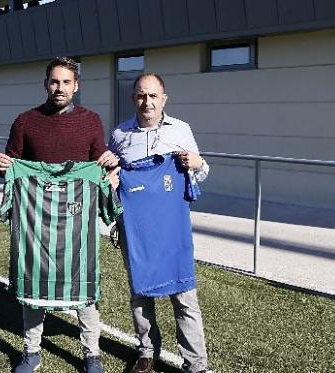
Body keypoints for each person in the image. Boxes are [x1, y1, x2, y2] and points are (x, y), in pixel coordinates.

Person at [0, 57, 119, 373]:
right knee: (36, 286)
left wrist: (110, 166)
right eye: (54, 81)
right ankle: (31, 352)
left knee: (84, 290)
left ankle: (92, 354)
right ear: (46, 83)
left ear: (76, 86)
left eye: (66, 82)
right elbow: (12, 163)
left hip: (77, 221)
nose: (59, 88)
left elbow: (99, 161)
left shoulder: (91, 121)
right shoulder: (25, 121)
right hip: (38, 221)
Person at [108, 73, 211, 373]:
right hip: (135, 231)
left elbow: (200, 171)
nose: (147, 101)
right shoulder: (119, 135)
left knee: (184, 295)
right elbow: (111, 177)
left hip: (171, 230)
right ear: (133, 99)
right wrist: (110, 179)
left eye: (153, 95)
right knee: (141, 293)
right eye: (141, 95)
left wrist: (198, 164)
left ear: (164, 98)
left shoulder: (181, 130)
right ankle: (146, 354)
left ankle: (196, 364)